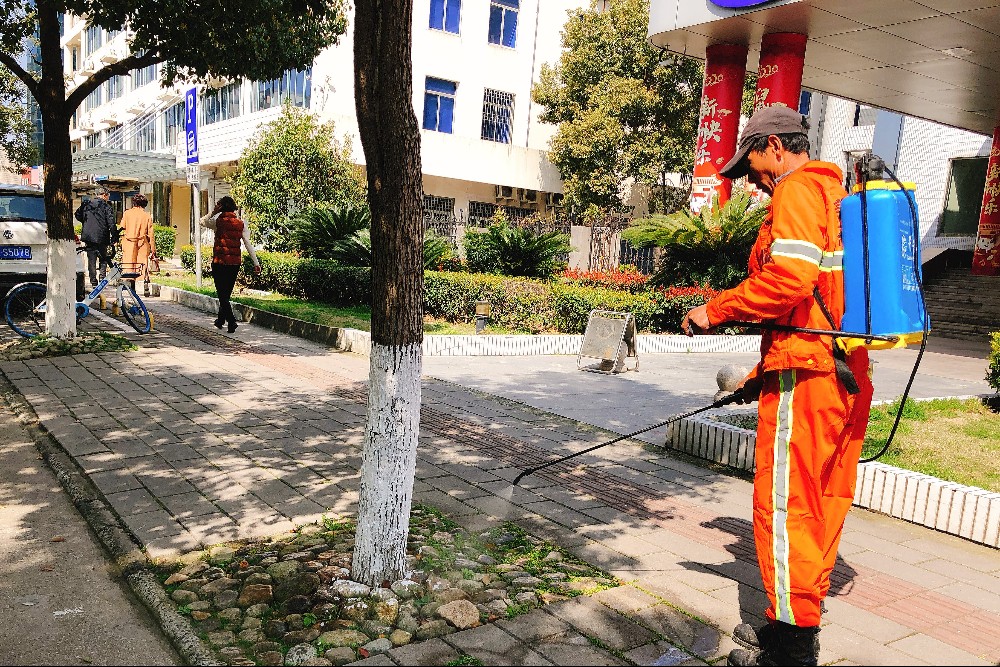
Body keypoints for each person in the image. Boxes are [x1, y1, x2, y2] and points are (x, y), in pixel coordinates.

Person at [681, 106, 874, 667]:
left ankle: (790, 647)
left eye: (753, 166)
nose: (755, 182)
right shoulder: (836, 196)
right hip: (843, 368)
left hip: (809, 375)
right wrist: (757, 376)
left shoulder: (795, 190)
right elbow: (822, 304)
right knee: (820, 501)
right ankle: (798, 616)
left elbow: (787, 282)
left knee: (785, 506)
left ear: (773, 146)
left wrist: (712, 312)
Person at [201, 196, 260, 333]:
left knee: (222, 295)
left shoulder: (217, 221)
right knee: (226, 294)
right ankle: (221, 320)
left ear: (221, 207)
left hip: (220, 262)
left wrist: (214, 212)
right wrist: (256, 262)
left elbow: (202, 221)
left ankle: (231, 321)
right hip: (234, 263)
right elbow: (247, 243)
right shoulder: (241, 223)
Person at [75, 187, 116, 287]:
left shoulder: (87, 204)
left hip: (89, 236)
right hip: (102, 236)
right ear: (104, 195)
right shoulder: (106, 207)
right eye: (108, 196)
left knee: (91, 259)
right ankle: (102, 278)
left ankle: (93, 281)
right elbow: (111, 223)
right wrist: (115, 236)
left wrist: (86, 222)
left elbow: (77, 215)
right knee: (103, 258)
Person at [119, 193, 156, 297]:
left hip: (129, 242)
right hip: (142, 243)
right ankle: (145, 282)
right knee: (142, 264)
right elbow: (151, 234)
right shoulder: (147, 215)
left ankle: (131, 286)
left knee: (130, 265)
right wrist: (153, 248)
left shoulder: (127, 213)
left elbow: (122, 227)